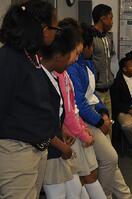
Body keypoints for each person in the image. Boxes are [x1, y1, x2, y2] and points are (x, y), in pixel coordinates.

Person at [67, 25, 132, 199]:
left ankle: (125, 196)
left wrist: (103, 112)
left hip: (93, 116)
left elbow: (92, 93)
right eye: (90, 46)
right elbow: (80, 102)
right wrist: (99, 121)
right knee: (109, 159)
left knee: (111, 161)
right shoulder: (73, 67)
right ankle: (105, 195)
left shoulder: (87, 63)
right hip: (84, 120)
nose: (92, 49)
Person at [0, 1, 58, 198]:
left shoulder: (31, 56)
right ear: (42, 29)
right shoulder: (9, 59)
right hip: (17, 152)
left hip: (37, 149)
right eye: (54, 28)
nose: (56, 33)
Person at [54, 21, 107, 199]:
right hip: (70, 134)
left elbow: (78, 103)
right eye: (76, 53)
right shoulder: (64, 72)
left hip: (77, 127)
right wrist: (84, 132)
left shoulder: (75, 69)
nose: (77, 58)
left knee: (79, 182)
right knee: (79, 181)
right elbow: (70, 110)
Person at [39, 22, 85, 199]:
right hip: (50, 150)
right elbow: (39, 122)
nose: (73, 60)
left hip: (58, 142)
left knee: (75, 191)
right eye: (71, 55)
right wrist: (62, 146)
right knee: (59, 194)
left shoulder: (53, 76)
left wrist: (63, 130)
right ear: (58, 56)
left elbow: (55, 115)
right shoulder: (39, 78)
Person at [92, 4, 115, 119]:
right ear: (103, 18)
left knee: (109, 125)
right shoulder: (91, 37)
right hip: (95, 92)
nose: (112, 22)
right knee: (100, 126)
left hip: (107, 90)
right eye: (110, 18)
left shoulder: (108, 37)